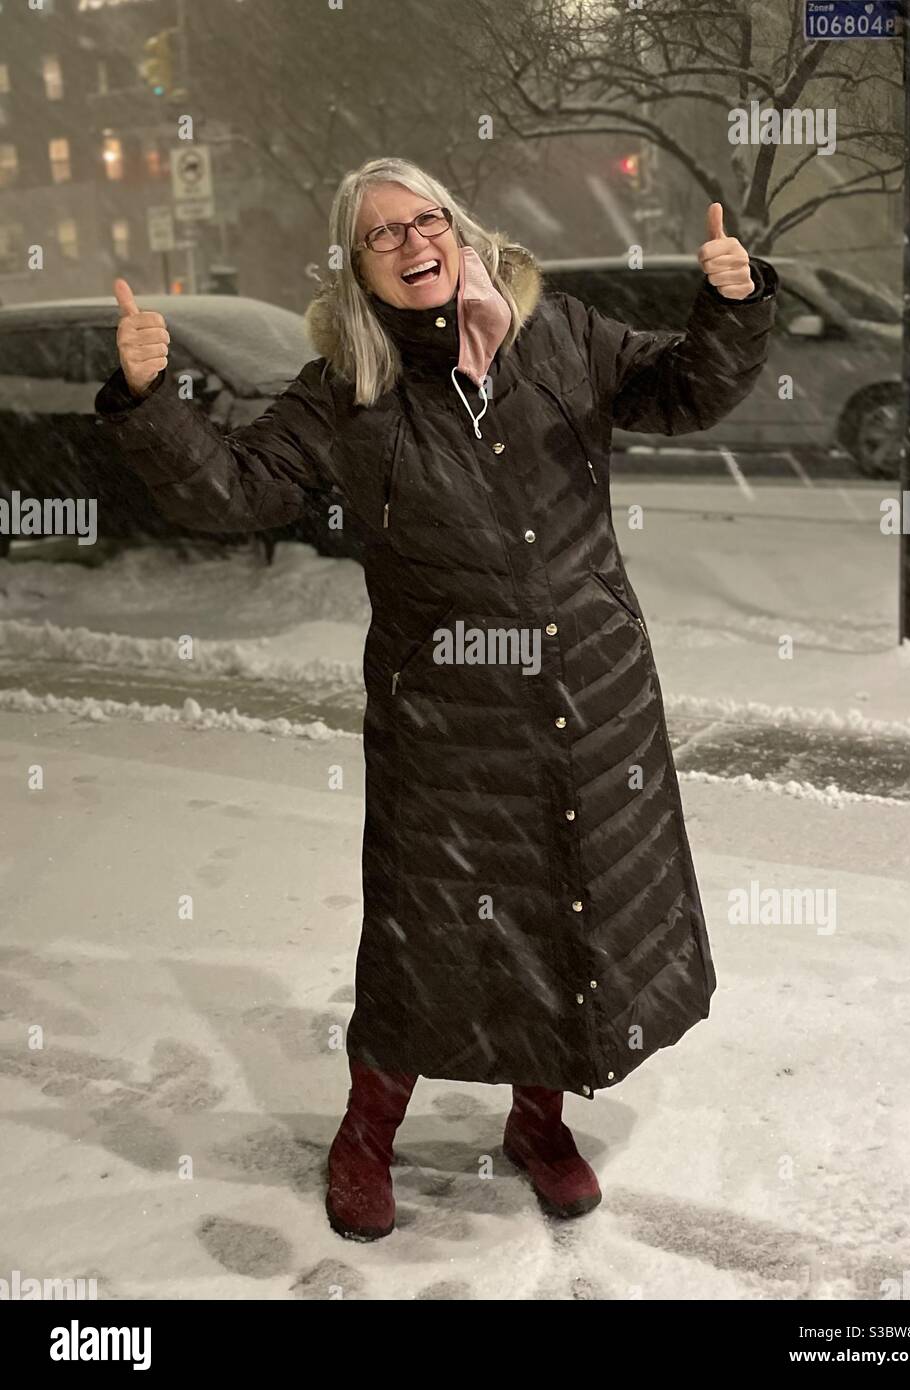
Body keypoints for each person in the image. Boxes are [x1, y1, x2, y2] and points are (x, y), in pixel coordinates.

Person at [96, 155, 778, 1242]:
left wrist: (731, 303)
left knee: (573, 912)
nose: (413, 244)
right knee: (427, 938)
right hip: (444, 728)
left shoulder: (558, 337)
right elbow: (231, 492)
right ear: (357, 267)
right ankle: (364, 1137)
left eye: (425, 221)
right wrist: (146, 399)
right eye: (382, 234)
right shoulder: (344, 394)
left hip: (590, 697)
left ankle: (537, 1123)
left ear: (458, 229)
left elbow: (686, 390)